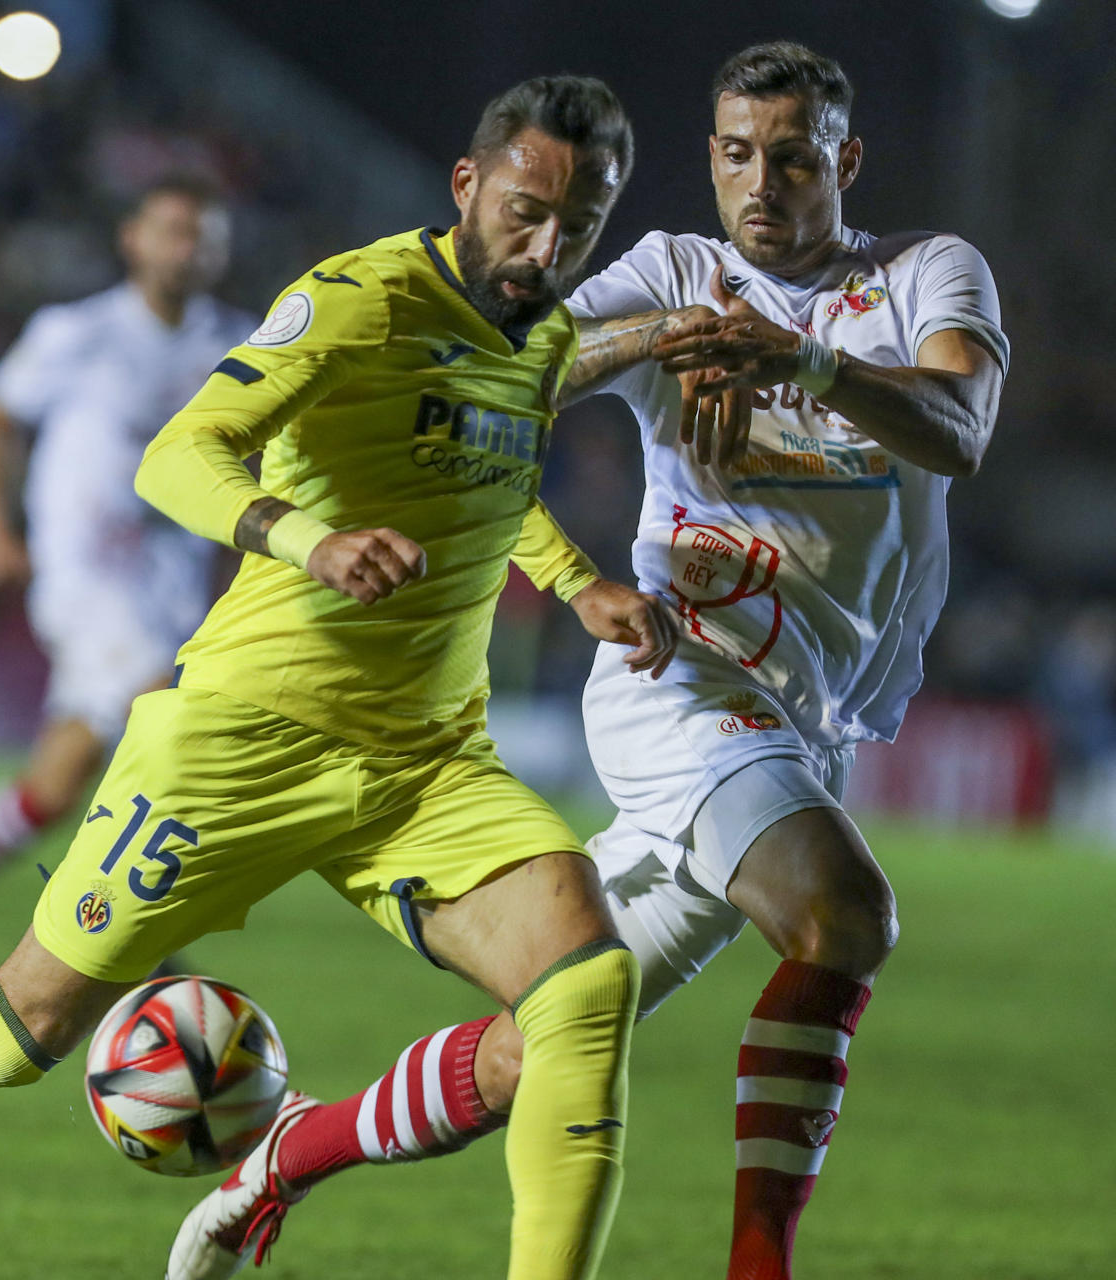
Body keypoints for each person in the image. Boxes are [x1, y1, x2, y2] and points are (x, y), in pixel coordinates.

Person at [0, 76, 679, 1280]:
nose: (545, 248)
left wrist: (576, 577)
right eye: (525, 211)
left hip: (426, 762)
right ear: (468, 184)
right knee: (17, 1029)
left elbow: (493, 480)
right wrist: (306, 538)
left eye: (577, 227)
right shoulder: (359, 299)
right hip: (243, 738)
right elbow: (180, 454)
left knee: (586, 987)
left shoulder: (537, 336)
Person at [355, 42, 1008, 1280]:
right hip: (677, 672)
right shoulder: (677, 270)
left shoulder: (925, 274)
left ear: (845, 162)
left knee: (548, 1033)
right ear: (710, 158)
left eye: (795, 156)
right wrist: (670, 332)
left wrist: (800, 359)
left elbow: (960, 429)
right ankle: (759, 1265)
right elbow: (513, 374)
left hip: (800, 714)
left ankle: (289, 1155)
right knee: (844, 914)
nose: (760, 180)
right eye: (735, 153)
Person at [0, 178, 255, 982]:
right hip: (86, 576)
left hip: (173, 581)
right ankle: (129, 932)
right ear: (134, 239)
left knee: (59, 780)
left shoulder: (240, 343)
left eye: (204, 235)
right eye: (174, 229)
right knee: (171, 716)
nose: (188, 248)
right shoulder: (76, 332)